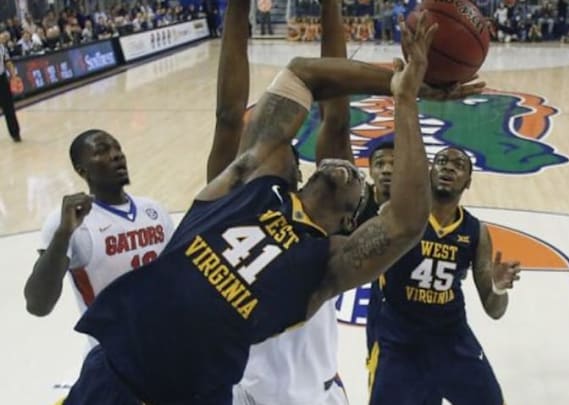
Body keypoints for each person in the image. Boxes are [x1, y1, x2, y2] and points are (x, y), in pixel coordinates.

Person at [62, 6, 485, 404]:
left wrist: (407, 101)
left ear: (350, 219)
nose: (347, 167)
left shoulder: (323, 265)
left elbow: (406, 219)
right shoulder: (243, 193)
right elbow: (295, 80)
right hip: (112, 372)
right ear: (294, 178)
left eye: (358, 177)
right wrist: (396, 80)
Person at [234, 0, 353, 402]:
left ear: (300, 173)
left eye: (282, 145)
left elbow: (336, 114)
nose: (272, 143)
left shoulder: (325, 215)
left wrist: (330, 6)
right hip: (248, 391)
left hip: (318, 393)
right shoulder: (235, 206)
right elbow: (227, 115)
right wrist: (237, 11)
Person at [367, 146, 522, 405]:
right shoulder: (400, 214)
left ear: (468, 182)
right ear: (429, 172)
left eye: (458, 165)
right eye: (441, 161)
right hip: (400, 341)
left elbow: (495, 310)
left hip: (451, 339)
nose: (448, 167)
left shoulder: (475, 231)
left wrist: (498, 287)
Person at [24, 129, 174, 320]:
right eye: (102, 151)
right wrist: (63, 234)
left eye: (118, 148)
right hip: (112, 346)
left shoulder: (154, 210)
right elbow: (38, 305)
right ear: (82, 170)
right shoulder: (68, 220)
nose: (116, 155)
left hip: (167, 340)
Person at [0, 31, 20, 142]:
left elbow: (8, 62)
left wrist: (14, 76)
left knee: (9, 108)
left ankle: (15, 133)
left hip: (1, 79)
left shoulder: (2, 47)